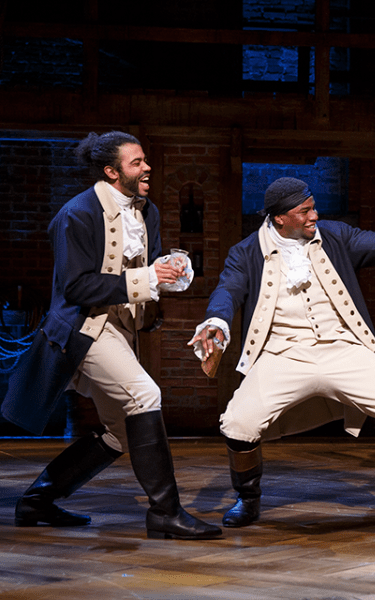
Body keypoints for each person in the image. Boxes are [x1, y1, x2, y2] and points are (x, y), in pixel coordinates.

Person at [189, 176, 375, 528]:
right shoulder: (247, 251)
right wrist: (216, 322)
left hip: (344, 348)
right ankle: (248, 499)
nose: (314, 215)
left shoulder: (335, 235)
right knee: (237, 424)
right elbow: (228, 290)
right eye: (305, 211)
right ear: (280, 218)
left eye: (313, 207)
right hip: (282, 353)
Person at [1, 131, 222, 540]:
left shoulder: (146, 210)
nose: (147, 167)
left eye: (144, 161)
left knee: (120, 432)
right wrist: (147, 277)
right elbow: (76, 287)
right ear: (111, 171)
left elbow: (148, 266)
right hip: (86, 327)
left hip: (122, 329)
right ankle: (165, 513)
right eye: (137, 162)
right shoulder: (78, 214)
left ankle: (37, 501)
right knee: (146, 395)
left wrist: (170, 269)